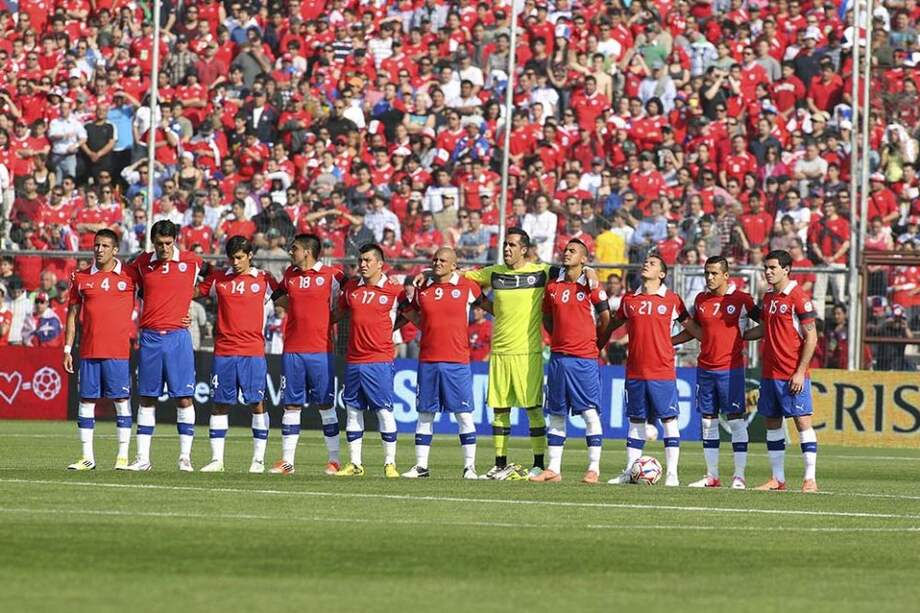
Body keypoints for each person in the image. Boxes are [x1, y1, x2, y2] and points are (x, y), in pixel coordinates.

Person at [463, 228, 597, 480]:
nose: (506, 249)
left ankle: (538, 464)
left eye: (512, 245)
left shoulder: (541, 272)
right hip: (499, 352)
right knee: (500, 409)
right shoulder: (494, 273)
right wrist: (485, 304)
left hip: (528, 352)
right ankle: (500, 464)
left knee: (533, 409)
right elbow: (462, 278)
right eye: (505, 244)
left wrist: (589, 269)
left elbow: (572, 270)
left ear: (524, 249)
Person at [601, 255, 701, 486]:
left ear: (662, 274)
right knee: (636, 421)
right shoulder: (629, 299)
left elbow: (693, 329)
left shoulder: (672, 299)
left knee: (669, 420)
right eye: (646, 262)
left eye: (653, 263)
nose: (646, 264)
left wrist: (670, 341)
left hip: (661, 371)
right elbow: (613, 324)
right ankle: (630, 471)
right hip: (635, 370)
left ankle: (672, 475)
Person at [673, 256, 761, 489]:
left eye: (714, 273)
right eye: (706, 273)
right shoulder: (701, 299)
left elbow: (767, 323)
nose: (709, 277)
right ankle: (712, 476)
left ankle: (739, 476)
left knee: (736, 421)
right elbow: (695, 330)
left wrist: (744, 336)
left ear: (725, 275)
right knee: (708, 422)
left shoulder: (741, 299)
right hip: (705, 368)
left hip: (730, 370)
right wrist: (668, 341)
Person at [398, 247, 485, 479]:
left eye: (443, 260)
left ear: (454, 265)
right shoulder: (423, 287)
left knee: (463, 415)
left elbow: (488, 283)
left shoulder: (467, 287)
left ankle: (469, 467)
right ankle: (421, 466)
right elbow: (413, 314)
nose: (437, 263)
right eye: (434, 259)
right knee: (425, 414)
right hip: (428, 360)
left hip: (457, 361)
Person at [125, 220, 202, 472]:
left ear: (175, 241)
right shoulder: (141, 264)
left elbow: (213, 283)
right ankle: (142, 458)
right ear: (153, 242)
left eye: (169, 243)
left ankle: (185, 458)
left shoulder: (192, 261)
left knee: (184, 398)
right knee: (147, 398)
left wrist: (185, 304)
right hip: (150, 338)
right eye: (160, 243)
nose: (164, 248)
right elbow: (126, 284)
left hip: (178, 337)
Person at [197, 236, 278, 473]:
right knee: (219, 404)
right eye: (232, 258)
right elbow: (190, 293)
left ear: (250, 256)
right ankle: (217, 460)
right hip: (224, 351)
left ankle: (258, 460)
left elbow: (288, 301)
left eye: (240, 257)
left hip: (252, 351)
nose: (236, 262)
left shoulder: (264, 279)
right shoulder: (219, 279)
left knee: (257, 403)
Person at [532, 239, 610, 484]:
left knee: (589, 413)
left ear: (584, 259)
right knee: (556, 414)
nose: (567, 253)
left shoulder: (590, 284)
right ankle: (553, 469)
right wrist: (558, 338)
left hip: (583, 359)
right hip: (558, 358)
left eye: (573, 251)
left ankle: (593, 469)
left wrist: (595, 344)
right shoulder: (553, 285)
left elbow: (606, 318)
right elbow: (546, 317)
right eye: (566, 250)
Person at [743, 250, 819, 493]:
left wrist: (800, 372)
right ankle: (778, 479)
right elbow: (766, 328)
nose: (768, 272)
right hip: (769, 373)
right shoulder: (769, 296)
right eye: (766, 267)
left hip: (791, 373)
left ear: (786, 270)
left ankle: (810, 479)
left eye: (772, 268)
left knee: (802, 423)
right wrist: (739, 336)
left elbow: (812, 337)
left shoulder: (798, 297)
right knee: (773, 423)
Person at [269, 234, 345, 475]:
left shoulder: (333, 275)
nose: (291, 252)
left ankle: (334, 460)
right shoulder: (290, 274)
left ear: (308, 252)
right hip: (292, 349)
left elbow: (348, 301)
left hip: (320, 350)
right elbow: (279, 297)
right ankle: (287, 461)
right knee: (291, 405)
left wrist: (326, 320)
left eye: (295, 248)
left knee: (325, 404)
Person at [63, 229, 136, 470]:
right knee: (86, 401)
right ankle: (87, 458)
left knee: (121, 401)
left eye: (105, 246)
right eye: (96, 245)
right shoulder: (80, 277)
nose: (99, 249)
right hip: (89, 351)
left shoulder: (130, 276)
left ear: (115, 250)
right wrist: (67, 349)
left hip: (118, 352)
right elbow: (72, 314)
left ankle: (123, 457)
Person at [334, 244, 408, 478]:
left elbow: (412, 314)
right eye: (361, 260)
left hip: (379, 360)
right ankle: (355, 463)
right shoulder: (351, 288)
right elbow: (338, 312)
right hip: (354, 359)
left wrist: (388, 330)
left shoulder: (394, 290)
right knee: (353, 410)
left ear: (380, 264)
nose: (363, 264)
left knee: (383, 411)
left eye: (367, 260)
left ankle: (390, 463)